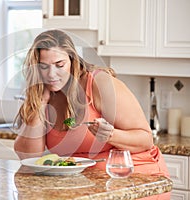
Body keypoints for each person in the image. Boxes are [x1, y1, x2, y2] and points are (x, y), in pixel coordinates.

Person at [13, 29, 169, 180]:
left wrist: (110, 135)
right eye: (44, 67)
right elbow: (29, 157)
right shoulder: (44, 93)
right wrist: (40, 103)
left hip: (136, 176)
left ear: (73, 60)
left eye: (59, 65)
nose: (51, 74)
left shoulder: (99, 84)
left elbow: (146, 139)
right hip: (84, 183)